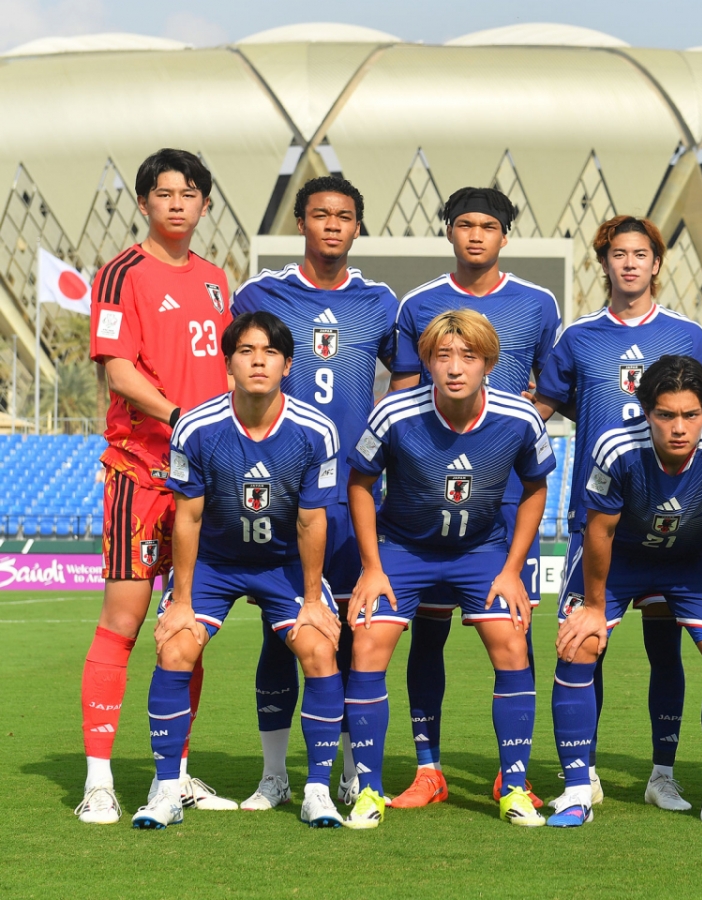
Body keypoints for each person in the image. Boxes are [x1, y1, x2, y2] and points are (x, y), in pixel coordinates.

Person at [535, 216, 702, 812]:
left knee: (666, 651)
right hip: (600, 522)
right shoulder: (579, 337)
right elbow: (543, 405)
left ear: (657, 264)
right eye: (618, 255)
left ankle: (662, 772)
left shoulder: (688, 334)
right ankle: (581, 772)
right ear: (605, 264)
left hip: (677, 525)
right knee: (584, 642)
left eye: (641, 254)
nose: (630, 264)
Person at [342, 309, 555, 829]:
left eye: (468, 356)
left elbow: (535, 489)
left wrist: (511, 570)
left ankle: (515, 786)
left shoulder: (520, 418)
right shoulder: (393, 413)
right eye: (442, 356)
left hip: (481, 551)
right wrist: (372, 567)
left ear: (488, 362)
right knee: (369, 641)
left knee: (511, 639)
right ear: (428, 363)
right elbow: (360, 485)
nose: (455, 367)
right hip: (404, 549)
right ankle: (368, 790)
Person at [133, 312, 344, 829]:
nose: (257, 360)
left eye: (269, 352)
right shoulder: (197, 427)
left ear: (287, 364)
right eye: (246, 350)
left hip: (283, 565)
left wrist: (314, 601)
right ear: (228, 361)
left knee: (318, 648)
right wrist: (180, 601)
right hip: (215, 563)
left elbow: (312, 522)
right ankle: (166, 789)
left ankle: (317, 789)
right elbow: (188, 516)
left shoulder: (316, 430)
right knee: (176, 646)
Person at [231, 176, 400, 811]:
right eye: (321, 214)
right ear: (301, 221)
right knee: (283, 632)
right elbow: (238, 370)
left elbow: (406, 379)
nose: (333, 224)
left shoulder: (381, 301)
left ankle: (354, 771)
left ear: (359, 227)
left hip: (353, 496)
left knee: (357, 632)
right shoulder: (263, 293)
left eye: (345, 216)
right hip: (281, 495)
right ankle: (274, 775)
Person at [388, 186, 560, 809]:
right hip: (429, 497)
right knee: (426, 632)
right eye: (465, 225)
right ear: (450, 233)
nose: (477, 235)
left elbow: (551, 388)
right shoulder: (421, 303)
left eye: (489, 225)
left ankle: (515, 773)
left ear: (505, 236)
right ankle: (428, 769)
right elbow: (404, 390)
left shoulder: (537, 304)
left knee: (514, 627)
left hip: (509, 499)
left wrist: (505, 436)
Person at [78, 149, 236, 824]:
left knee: (188, 629)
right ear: (144, 204)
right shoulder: (121, 272)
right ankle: (99, 781)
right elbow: (117, 371)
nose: (177, 203)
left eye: (189, 193)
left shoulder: (215, 280)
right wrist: (182, 417)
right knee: (124, 622)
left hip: (201, 481)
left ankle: (173, 776)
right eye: (164, 193)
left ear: (204, 206)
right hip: (142, 473)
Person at [551, 355, 702, 828]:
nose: (679, 428)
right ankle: (578, 790)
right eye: (665, 415)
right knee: (580, 645)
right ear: (646, 412)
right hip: (620, 556)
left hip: (688, 558)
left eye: (691, 415)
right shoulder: (614, 445)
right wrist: (595, 609)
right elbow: (598, 532)